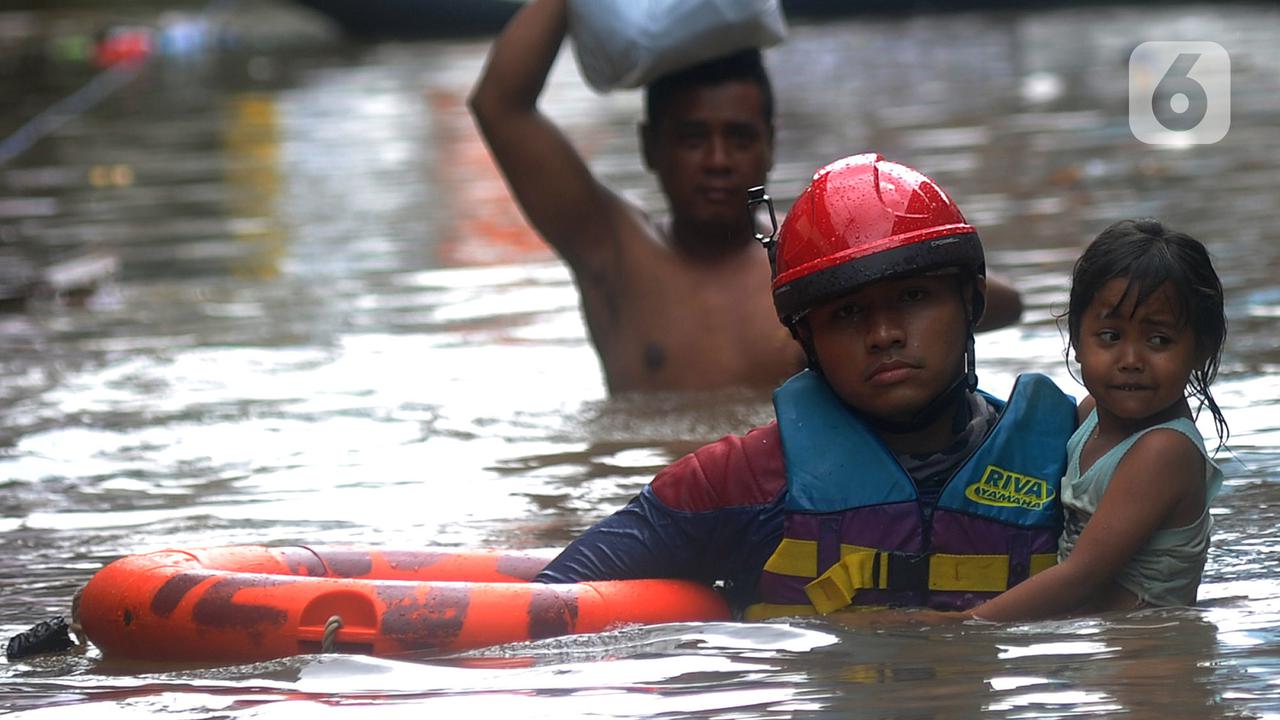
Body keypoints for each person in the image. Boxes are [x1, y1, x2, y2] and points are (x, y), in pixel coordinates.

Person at [535, 153, 1077, 617]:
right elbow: (552, 602)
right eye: (846, 313)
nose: (884, 335)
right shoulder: (738, 481)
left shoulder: (1070, 463)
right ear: (806, 339)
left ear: (972, 303)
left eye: (913, 297)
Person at [468, 0, 1024, 394]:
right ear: (650, 147)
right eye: (692, 139)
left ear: (769, 145)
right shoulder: (612, 252)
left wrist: (883, 278)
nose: (716, 160)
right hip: (650, 508)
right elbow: (500, 104)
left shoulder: (813, 263)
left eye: (738, 137)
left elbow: (1000, 302)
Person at [956, 219, 1228, 621]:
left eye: (1159, 341)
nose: (1131, 361)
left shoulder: (1164, 451)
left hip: (1148, 659)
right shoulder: (1090, 416)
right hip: (1099, 645)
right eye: (1110, 337)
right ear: (1077, 341)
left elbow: (1081, 577)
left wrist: (955, 625)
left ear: (1201, 350)